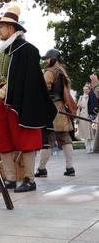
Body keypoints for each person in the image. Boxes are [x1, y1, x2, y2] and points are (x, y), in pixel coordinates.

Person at [0, 6, 57, 193]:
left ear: (12, 29)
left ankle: (30, 180)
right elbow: (3, 75)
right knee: (3, 141)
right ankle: (10, 179)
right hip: (2, 102)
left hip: (19, 102)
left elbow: (26, 77)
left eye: (2, 26)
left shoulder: (28, 50)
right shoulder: (4, 51)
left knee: (25, 140)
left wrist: (7, 89)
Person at [35, 49, 76, 177]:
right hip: (61, 108)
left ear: (54, 58)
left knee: (48, 139)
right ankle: (70, 168)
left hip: (51, 108)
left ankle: (41, 169)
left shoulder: (50, 72)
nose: (46, 61)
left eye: (47, 58)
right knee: (65, 138)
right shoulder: (63, 72)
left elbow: (42, 89)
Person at [76, 84, 96, 153]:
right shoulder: (81, 97)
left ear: (89, 90)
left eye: (86, 89)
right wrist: (77, 117)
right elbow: (78, 108)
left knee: (90, 133)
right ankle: (88, 148)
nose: (85, 91)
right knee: (85, 133)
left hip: (88, 116)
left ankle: (91, 147)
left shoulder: (91, 97)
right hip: (82, 117)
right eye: (84, 89)